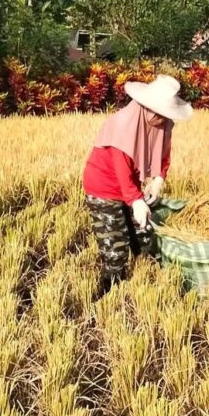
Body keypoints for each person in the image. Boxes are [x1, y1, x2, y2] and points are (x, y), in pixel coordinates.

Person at [82, 74, 193, 291]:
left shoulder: (163, 124)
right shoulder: (123, 124)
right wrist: (136, 201)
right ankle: (108, 292)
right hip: (103, 188)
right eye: (157, 112)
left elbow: (164, 154)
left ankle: (142, 283)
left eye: (165, 114)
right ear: (144, 106)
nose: (161, 119)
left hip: (129, 186)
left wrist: (159, 178)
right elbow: (121, 168)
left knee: (143, 237)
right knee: (115, 249)